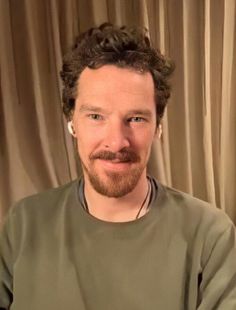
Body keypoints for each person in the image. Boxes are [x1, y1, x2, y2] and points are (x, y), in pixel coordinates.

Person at [0, 23, 236, 310]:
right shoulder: (23, 225)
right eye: (96, 116)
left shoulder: (211, 236)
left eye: (136, 118)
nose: (116, 142)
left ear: (158, 127)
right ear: (71, 122)